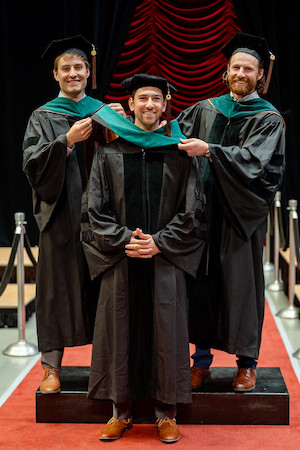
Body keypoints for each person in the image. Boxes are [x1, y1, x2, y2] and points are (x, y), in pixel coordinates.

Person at [85, 74, 206, 443]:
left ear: (165, 105)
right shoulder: (107, 154)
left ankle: (166, 412)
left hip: (165, 258)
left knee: (167, 333)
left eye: (156, 98)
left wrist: (159, 242)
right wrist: (126, 240)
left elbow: (193, 210)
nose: (150, 104)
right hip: (121, 260)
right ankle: (119, 412)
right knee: (118, 330)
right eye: (143, 99)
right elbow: (93, 211)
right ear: (132, 105)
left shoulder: (179, 154)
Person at [177, 32, 286, 392]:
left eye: (249, 68)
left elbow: (255, 162)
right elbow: (171, 135)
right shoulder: (205, 108)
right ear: (226, 71)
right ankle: (201, 362)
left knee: (242, 288)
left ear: (260, 75)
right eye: (235, 67)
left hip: (241, 217)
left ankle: (247, 365)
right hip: (202, 214)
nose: (241, 73)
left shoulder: (268, 119)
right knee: (200, 286)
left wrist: (210, 149)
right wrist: (130, 120)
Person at [22, 35, 109, 394]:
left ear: (88, 71)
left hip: (104, 217)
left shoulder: (105, 112)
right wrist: (67, 141)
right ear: (55, 75)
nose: (73, 73)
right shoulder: (43, 116)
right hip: (61, 215)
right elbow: (32, 165)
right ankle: (51, 368)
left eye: (79, 67)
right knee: (57, 289)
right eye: (66, 68)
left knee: (106, 291)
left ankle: (107, 366)